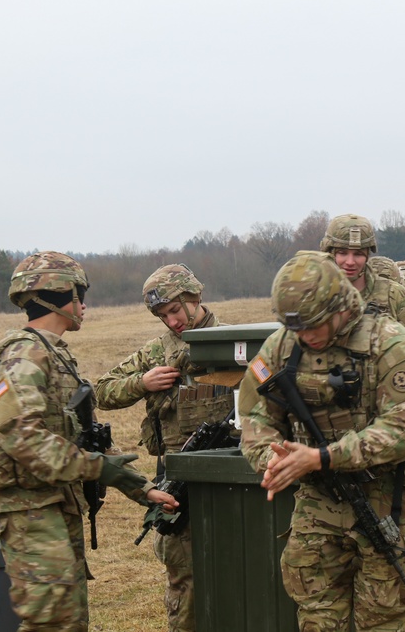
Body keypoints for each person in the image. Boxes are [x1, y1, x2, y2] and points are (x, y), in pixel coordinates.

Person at [0, 251, 175, 632]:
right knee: (52, 621)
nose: (83, 305)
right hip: (28, 507)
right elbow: (21, 436)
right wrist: (99, 469)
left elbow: (87, 439)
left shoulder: (54, 356)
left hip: (57, 503)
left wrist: (141, 488)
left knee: (71, 619)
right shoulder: (23, 355)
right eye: (79, 295)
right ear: (59, 297)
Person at [238, 250, 405, 631]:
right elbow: (255, 416)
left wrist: (324, 457)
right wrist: (273, 460)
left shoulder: (390, 343)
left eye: (313, 325)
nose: (305, 337)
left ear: (341, 306)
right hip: (318, 506)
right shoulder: (282, 346)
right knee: (317, 617)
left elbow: (403, 431)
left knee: (384, 618)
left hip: (385, 501)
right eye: (297, 328)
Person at [94, 264, 233, 632]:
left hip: (234, 475)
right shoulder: (157, 352)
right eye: (162, 315)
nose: (172, 321)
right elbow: (102, 390)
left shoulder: (234, 342)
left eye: (175, 310)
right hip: (179, 480)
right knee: (184, 577)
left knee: (238, 571)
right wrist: (142, 381)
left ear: (195, 298)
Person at [320, 214, 405, 355]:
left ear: (367, 255)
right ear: (330, 253)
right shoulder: (316, 294)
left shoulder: (392, 295)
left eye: (358, 254)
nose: (350, 261)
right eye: (342, 253)